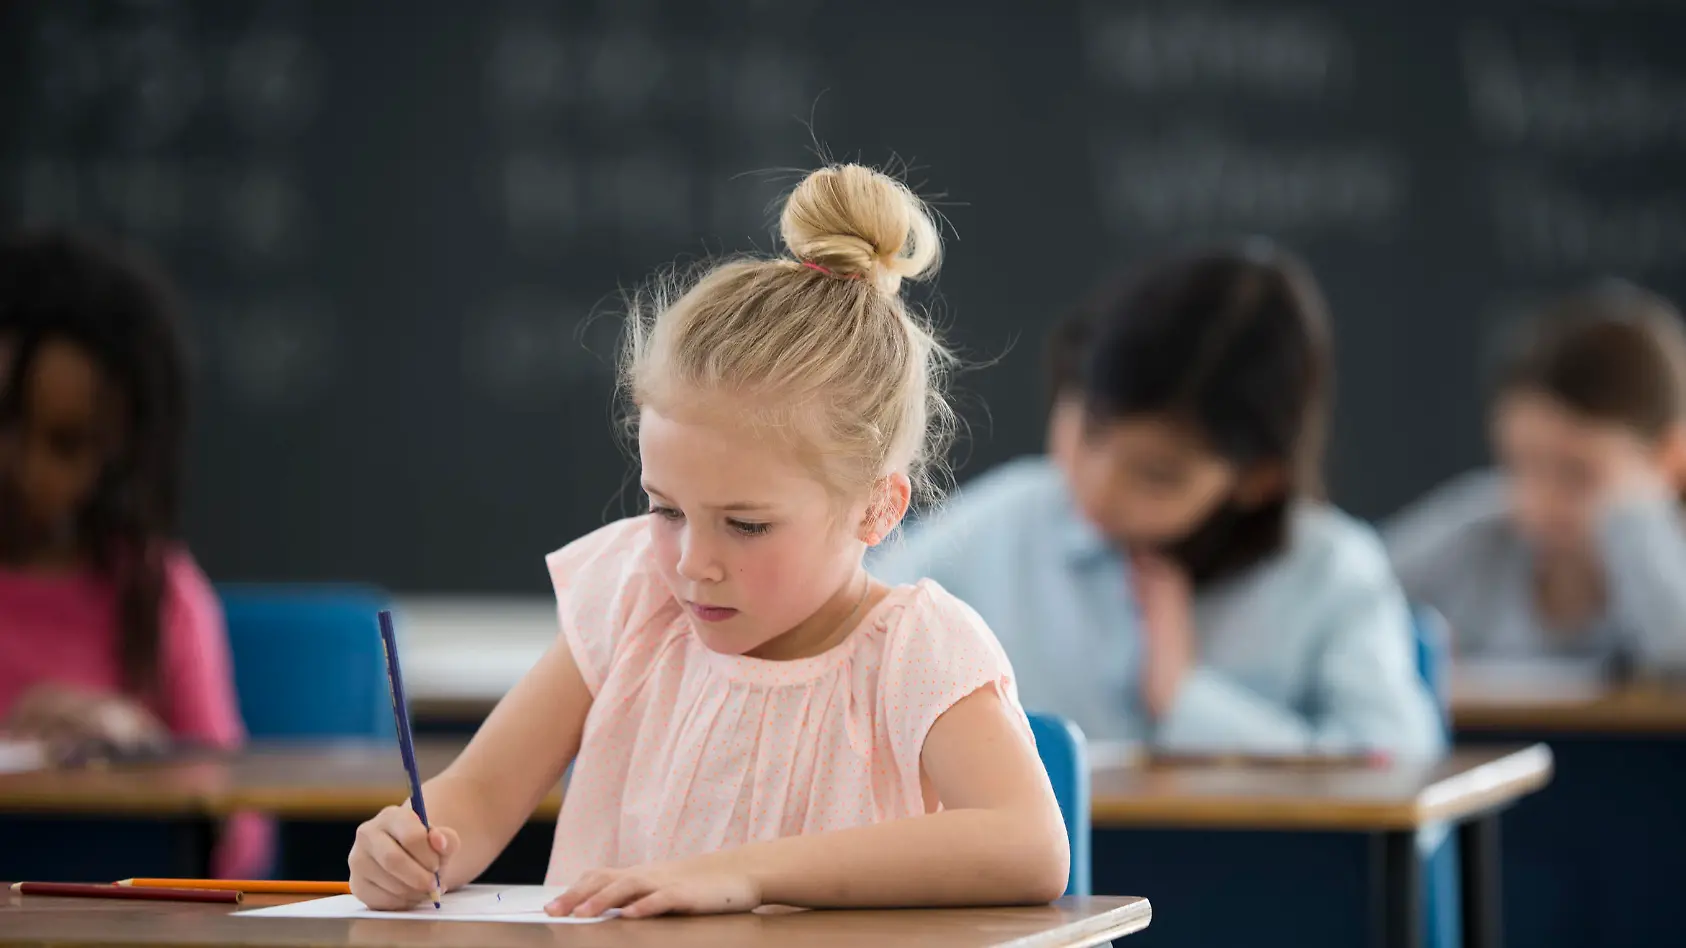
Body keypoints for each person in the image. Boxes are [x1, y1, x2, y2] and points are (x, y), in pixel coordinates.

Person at [346, 164, 1069, 918]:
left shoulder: (913, 650)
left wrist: (748, 874)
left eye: (747, 524)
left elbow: (1031, 847)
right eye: (665, 509)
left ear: (877, 509)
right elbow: (484, 793)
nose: (692, 563)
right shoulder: (636, 596)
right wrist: (416, 849)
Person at [871, 241, 1445, 756]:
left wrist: (1186, 700)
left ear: (1257, 479)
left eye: (1158, 475)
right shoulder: (1008, 521)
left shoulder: (1329, 571)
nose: (1099, 484)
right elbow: (854, 625)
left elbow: (1399, 767)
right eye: (1090, 430)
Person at [0, 228, 266, 876]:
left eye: (65, 445)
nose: (20, 466)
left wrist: (145, 758)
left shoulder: (159, 595)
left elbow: (243, 846)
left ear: (117, 451)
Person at [1385, 282, 1686, 672]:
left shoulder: (1661, 555)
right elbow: (1347, 594)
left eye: (1577, 473)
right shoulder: (1480, 535)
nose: (1538, 500)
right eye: (1519, 465)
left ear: (1671, 456)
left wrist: (1636, 523)